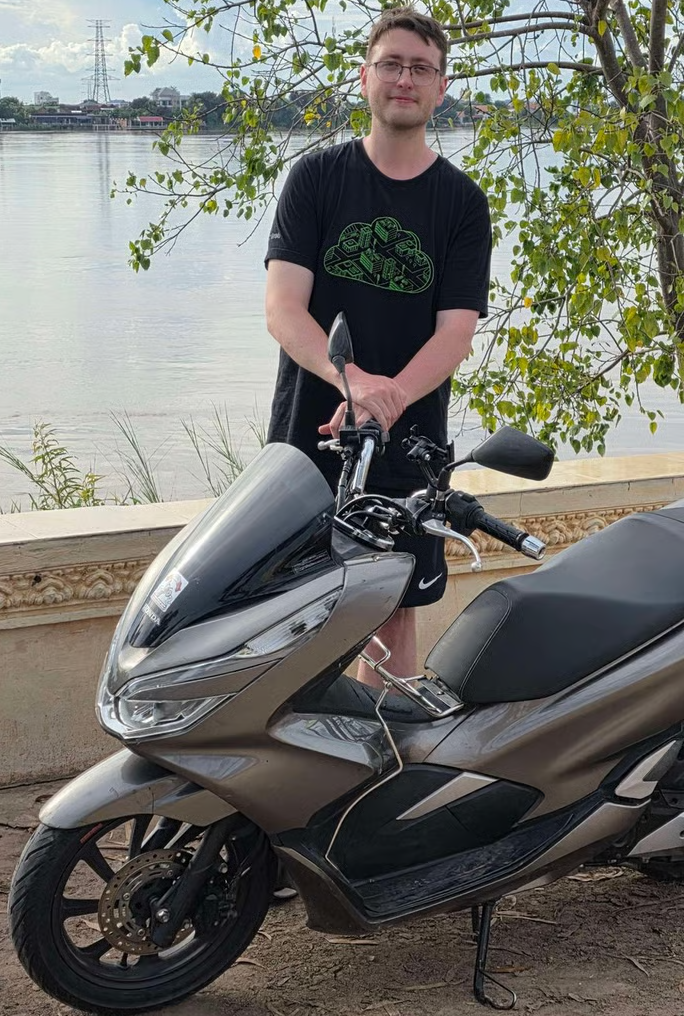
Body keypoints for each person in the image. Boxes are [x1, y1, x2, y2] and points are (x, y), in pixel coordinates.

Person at [264, 6, 492, 688]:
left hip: (411, 445)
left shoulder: (461, 203)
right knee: (290, 613)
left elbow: (455, 333)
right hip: (307, 442)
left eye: (421, 68)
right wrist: (353, 383)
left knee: (392, 615)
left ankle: (382, 776)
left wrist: (386, 399)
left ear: (440, 89)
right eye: (391, 63)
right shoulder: (316, 179)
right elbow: (283, 309)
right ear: (364, 78)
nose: (405, 78)